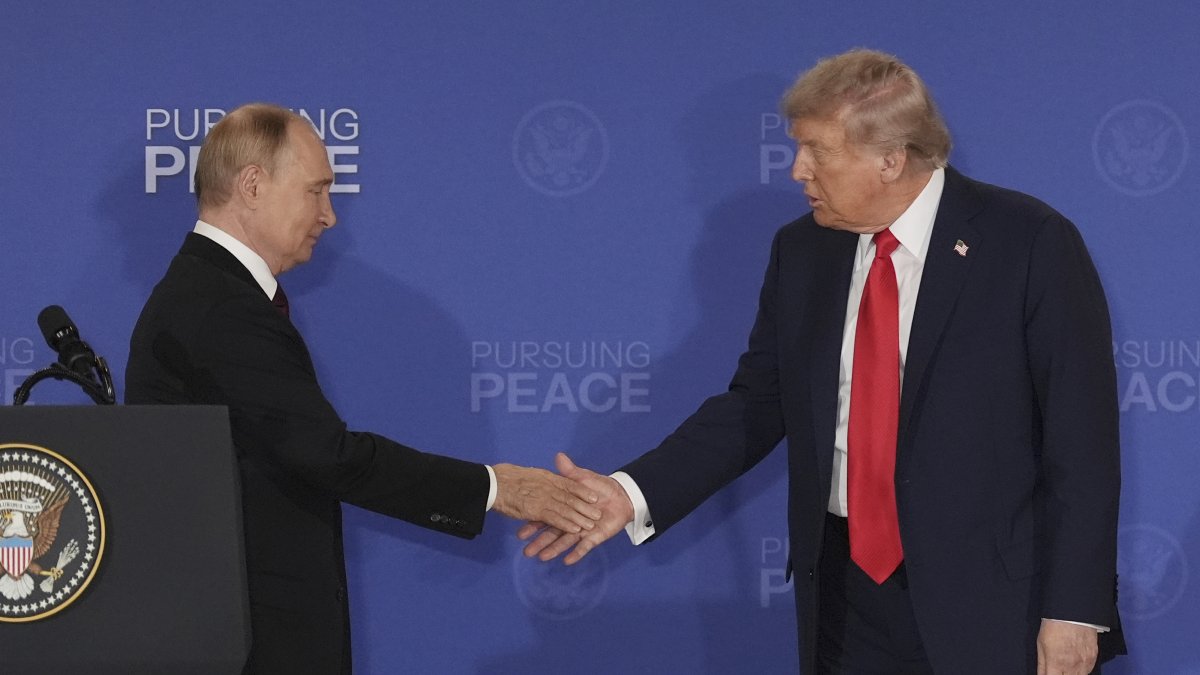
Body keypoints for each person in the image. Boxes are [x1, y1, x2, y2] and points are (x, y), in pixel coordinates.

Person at [520, 49, 1125, 674]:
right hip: (844, 594)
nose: (797, 170)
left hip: (995, 604)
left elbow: (1081, 444)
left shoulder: (1027, 241)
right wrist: (629, 493)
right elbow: (757, 404)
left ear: (890, 158)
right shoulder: (803, 251)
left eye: (817, 151)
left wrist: (1075, 610)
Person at [125, 103, 602, 674]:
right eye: (316, 191)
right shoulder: (222, 307)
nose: (330, 216)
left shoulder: (211, 294)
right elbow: (325, 455)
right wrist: (495, 487)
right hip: (244, 641)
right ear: (253, 185)